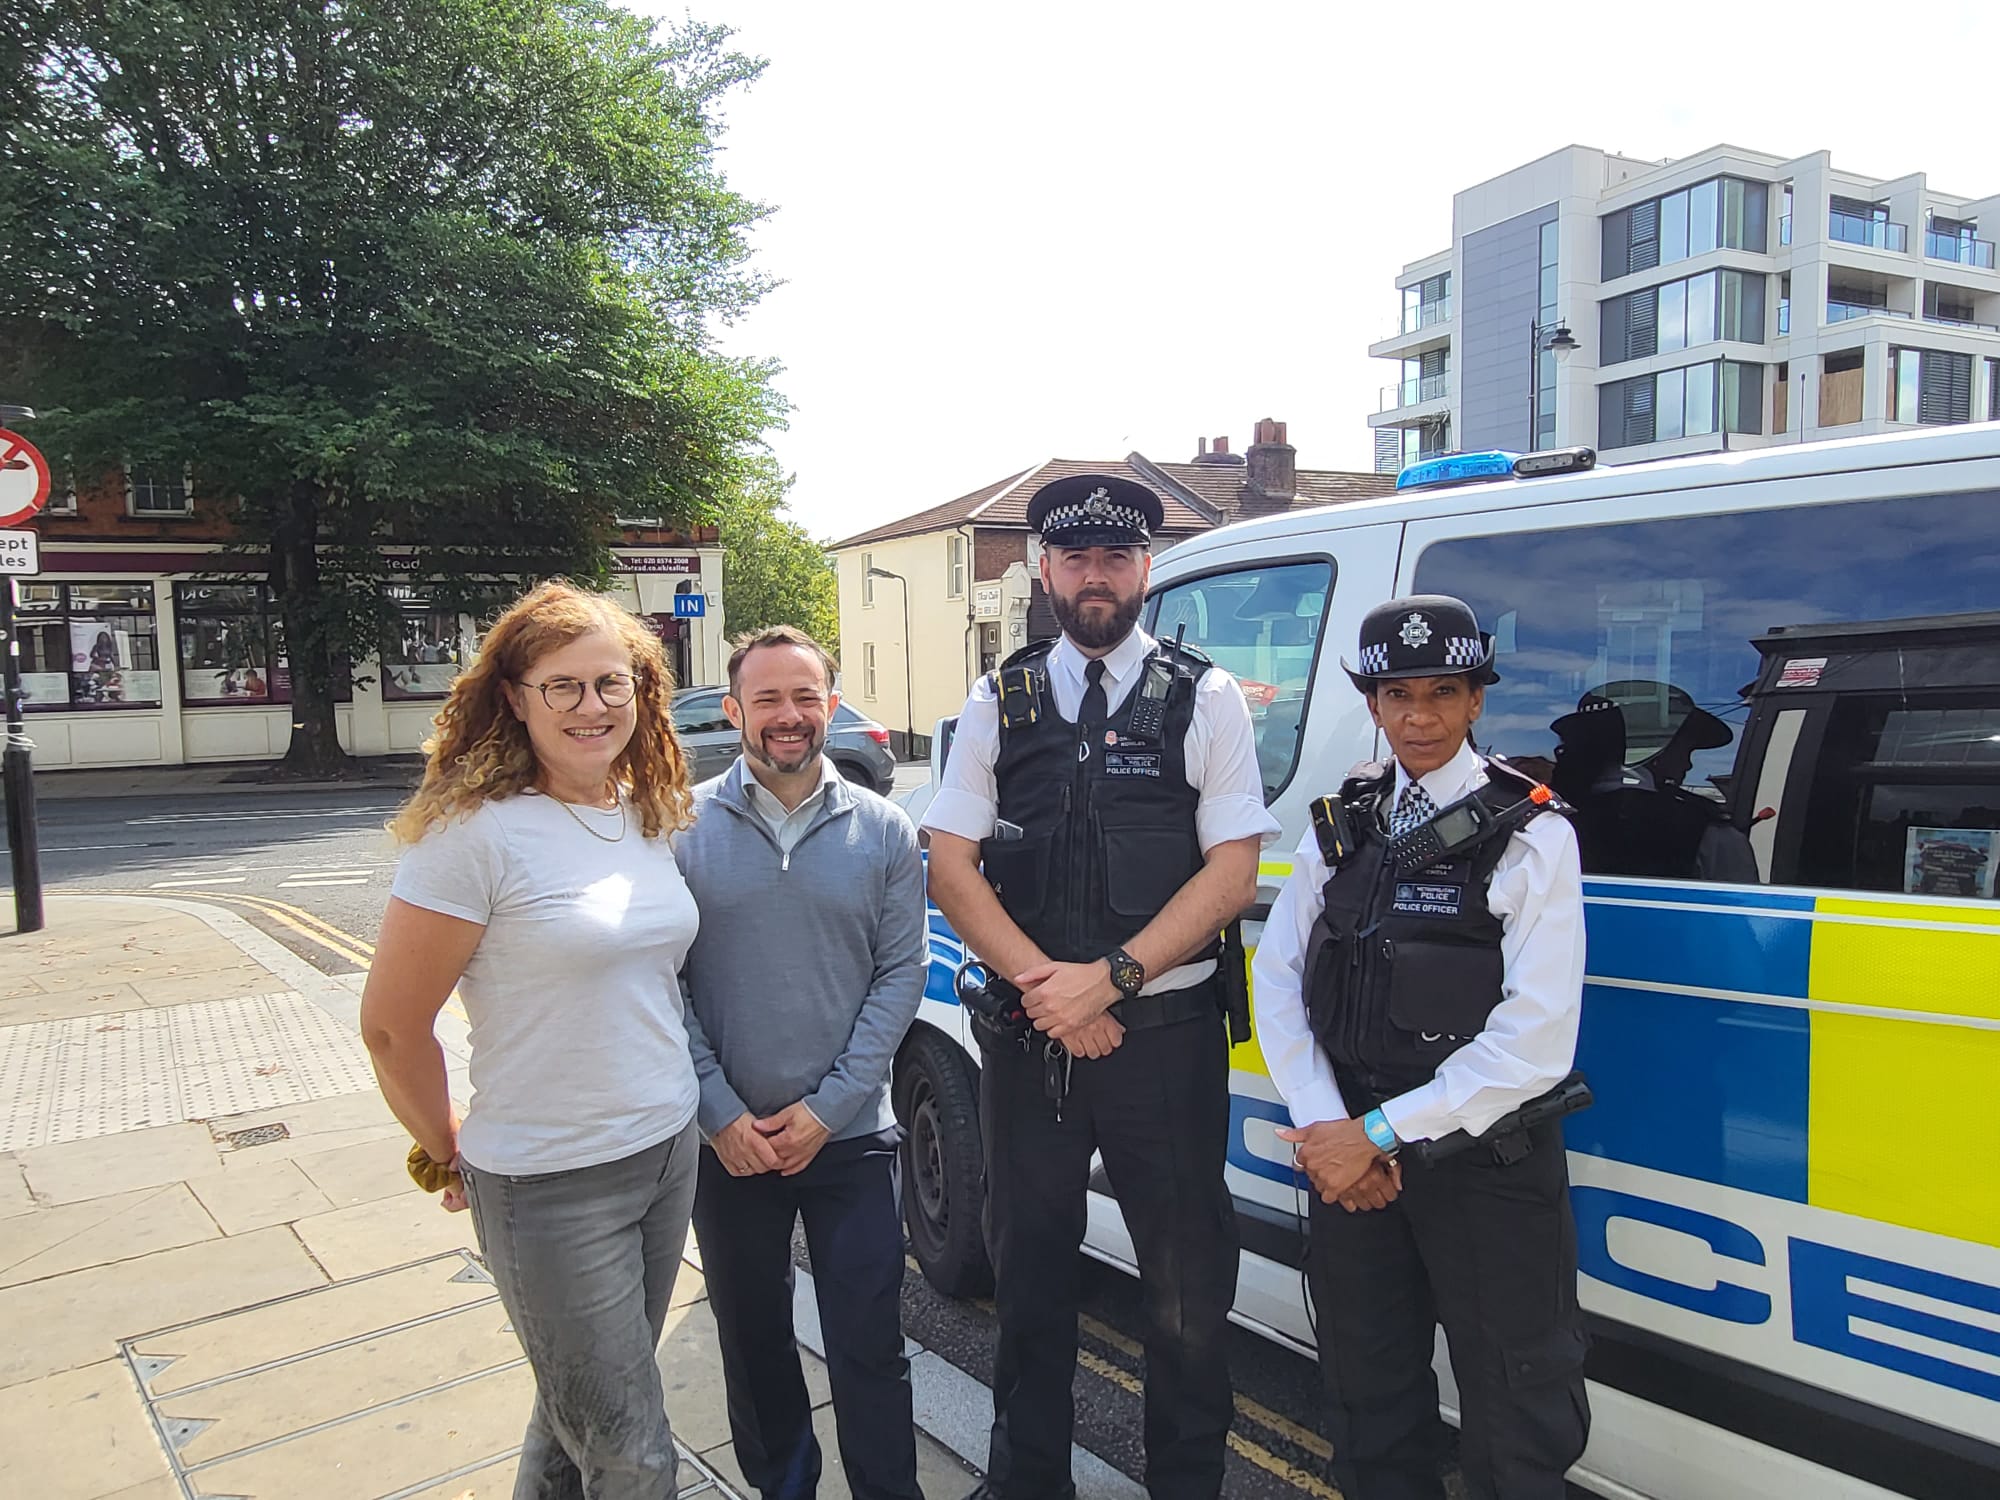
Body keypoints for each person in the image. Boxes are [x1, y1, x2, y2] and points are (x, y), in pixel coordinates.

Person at [923, 472, 1279, 1500]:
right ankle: (1026, 1482)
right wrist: (1051, 991)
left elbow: (1229, 873)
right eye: (1074, 558)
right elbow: (951, 866)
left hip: (1162, 1043)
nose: (1095, 576)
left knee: (1183, 1288)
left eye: (1114, 558)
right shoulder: (999, 698)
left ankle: (1185, 1484)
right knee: (1028, 1274)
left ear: (1144, 570)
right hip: (1033, 1039)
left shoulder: (1203, 696)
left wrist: (1112, 980)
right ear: (1042, 570)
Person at [360, 580, 703, 1500]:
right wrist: (444, 1152)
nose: (593, 707)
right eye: (565, 687)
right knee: (632, 1451)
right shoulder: (473, 835)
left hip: (666, 1152)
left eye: (612, 684)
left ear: (642, 693)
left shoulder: (642, 812)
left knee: (574, 1416)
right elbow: (393, 1026)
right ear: (515, 697)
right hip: (550, 1183)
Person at [1251, 594, 1591, 1500]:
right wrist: (1333, 1131)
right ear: (1372, 704)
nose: (1420, 716)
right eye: (1397, 694)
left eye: (1444, 691)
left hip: (1482, 1164)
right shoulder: (1344, 823)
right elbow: (1279, 977)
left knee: (1517, 1421)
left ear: (1478, 700)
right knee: (1369, 1406)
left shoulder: (1532, 833)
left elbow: (1537, 1039)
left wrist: (1380, 1133)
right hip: (1355, 1163)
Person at [671, 625, 928, 1500]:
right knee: (752, 1345)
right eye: (769, 699)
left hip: (852, 1142)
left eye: (806, 697)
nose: (789, 716)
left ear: (832, 705)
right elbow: (662, 986)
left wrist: (828, 1109)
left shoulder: (887, 830)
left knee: (869, 1346)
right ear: (735, 710)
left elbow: (902, 975)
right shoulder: (678, 829)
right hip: (727, 1146)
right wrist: (719, 1115)